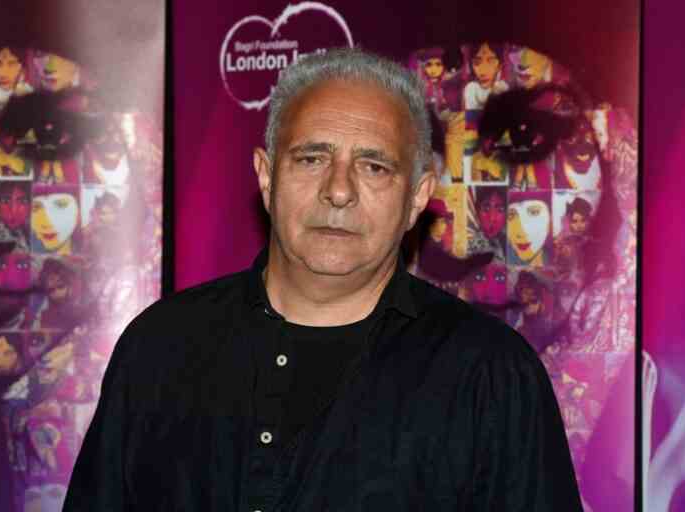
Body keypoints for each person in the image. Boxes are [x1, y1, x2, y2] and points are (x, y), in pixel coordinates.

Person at [64, 47, 580, 511]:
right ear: (267, 178)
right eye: (311, 158)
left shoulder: (490, 376)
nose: (338, 191)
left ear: (418, 197)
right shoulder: (160, 347)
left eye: (374, 167)